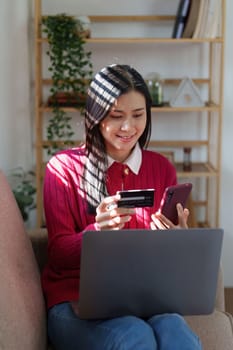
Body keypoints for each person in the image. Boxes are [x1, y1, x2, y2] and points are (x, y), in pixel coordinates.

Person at [42, 64, 202, 350]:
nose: (128, 127)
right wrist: (97, 233)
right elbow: (57, 254)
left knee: (177, 333)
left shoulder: (161, 168)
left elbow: (165, 261)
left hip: (143, 298)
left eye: (138, 115)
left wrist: (177, 239)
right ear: (95, 116)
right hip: (75, 299)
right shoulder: (63, 169)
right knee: (133, 335)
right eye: (116, 116)